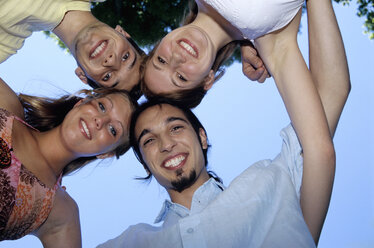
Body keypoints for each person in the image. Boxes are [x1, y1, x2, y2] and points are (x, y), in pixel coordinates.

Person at [96, 0, 350, 246]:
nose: (167, 144)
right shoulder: (276, 191)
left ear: (202, 136)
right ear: (144, 162)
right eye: (149, 140)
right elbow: (331, 96)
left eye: (176, 127)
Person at [0, 77, 138, 247]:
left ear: (106, 154)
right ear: (81, 102)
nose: (100, 121)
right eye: (102, 106)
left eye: (113, 130)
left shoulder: (61, 213)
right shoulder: (6, 103)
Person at [140, 0, 316, 107]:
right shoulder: (269, 44)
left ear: (158, 43)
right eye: (181, 77)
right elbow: (319, 147)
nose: (176, 58)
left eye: (161, 60)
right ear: (207, 80)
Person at [0, 0, 145, 95]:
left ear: (82, 75)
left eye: (107, 77)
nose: (112, 62)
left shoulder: (5, 43)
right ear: (123, 33)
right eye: (126, 57)